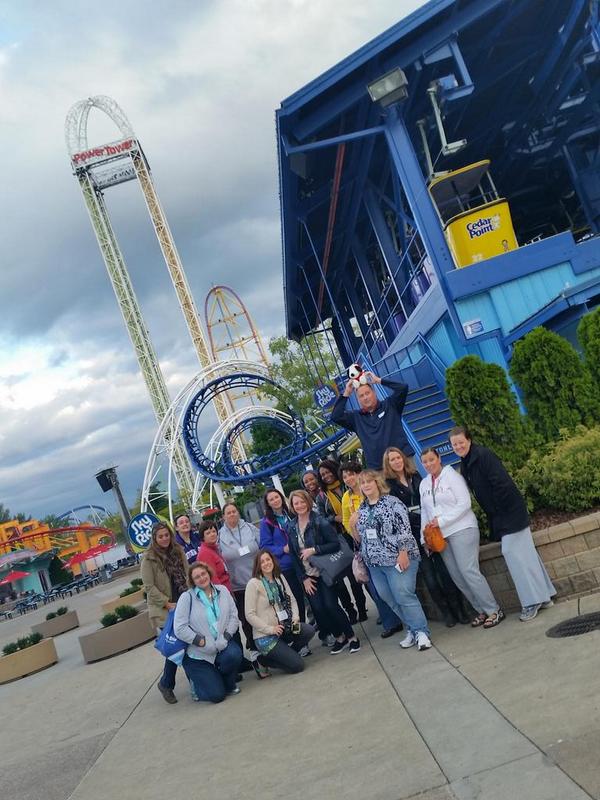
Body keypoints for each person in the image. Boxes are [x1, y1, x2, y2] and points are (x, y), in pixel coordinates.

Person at [449, 426, 556, 621]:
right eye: (454, 444)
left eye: (461, 442)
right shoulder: (466, 461)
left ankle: (532, 602)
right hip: (502, 515)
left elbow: (502, 484)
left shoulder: (482, 455)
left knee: (512, 553)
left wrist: (498, 513)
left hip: (509, 512)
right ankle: (545, 596)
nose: (458, 446)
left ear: (469, 440)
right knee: (526, 554)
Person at [383, 447, 470, 627]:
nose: (397, 461)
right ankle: (446, 613)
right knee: (430, 578)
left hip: (431, 530)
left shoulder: (416, 477)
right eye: (392, 459)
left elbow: (429, 502)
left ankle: (460, 610)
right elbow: (396, 514)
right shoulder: (388, 486)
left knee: (446, 573)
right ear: (388, 463)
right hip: (412, 535)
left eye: (398, 457)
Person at [419, 447, 504, 629]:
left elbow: (465, 503)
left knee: (468, 571)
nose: (428, 464)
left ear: (439, 458)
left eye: (431, 460)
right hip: (440, 536)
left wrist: (441, 521)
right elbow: (424, 512)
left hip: (462, 528)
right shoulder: (424, 484)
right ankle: (481, 609)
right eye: (425, 462)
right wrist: (424, 537)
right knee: (457, 576)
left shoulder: (452, 476)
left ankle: (494, 610)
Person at [355, 470, 432, 651]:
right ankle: (412, 629)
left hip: (397, 558)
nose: (366, 485)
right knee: (389, 598)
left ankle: (422, 632)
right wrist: (353, 525)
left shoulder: (393, 502)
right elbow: (361, 537)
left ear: (377, 482)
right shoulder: (362, 508)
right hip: (375, 563)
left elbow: (404, 528)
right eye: (362, 483)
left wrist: (403, 552)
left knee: (403, 594)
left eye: (369, 481)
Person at [287, 489, 361, 654]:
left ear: (307, 501)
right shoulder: (290, 526)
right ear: (292, 506)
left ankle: (351, 637)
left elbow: (335, 544)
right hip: (308, 575)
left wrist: (314, 549)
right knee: (319, 610)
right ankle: (339, 637)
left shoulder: (319, 521)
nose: (299, 505)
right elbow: (293, 555)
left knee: (331, 605)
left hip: (324, 571)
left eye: (301, 501)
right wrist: (303, 578)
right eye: (295, 503)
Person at [341, 461, 403, 638]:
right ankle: (390, 622)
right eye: (345, 477)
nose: (348, 479)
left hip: (387, 545)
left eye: (351, 474)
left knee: (397, 587)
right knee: (376, 588)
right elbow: (347, 521)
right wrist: (355, 531)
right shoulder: (346, 497)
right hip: (364, 545)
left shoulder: (371, 492)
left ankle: (408, 619)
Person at [174, 561, 243, 703]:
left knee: (234, 654)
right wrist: (202, 642)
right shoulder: (187, 598)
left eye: (203, 574)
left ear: (208, 573)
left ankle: (227, 684)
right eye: (197, 577)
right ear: (192, 581)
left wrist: (226, 637)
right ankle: (197, 682)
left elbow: (233, 617)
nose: (202, 578)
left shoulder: (222, 590)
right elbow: (180, 628)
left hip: (220, 644)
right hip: (199, 654)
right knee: (217, 696)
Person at [141, 522, 189, 704]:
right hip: (164, 609)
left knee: (186, 644)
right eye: (160, 536)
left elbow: (187, 573)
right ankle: (166, 684)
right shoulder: (149, 559)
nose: (164, 539)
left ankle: (176, 682)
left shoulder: (178, 551)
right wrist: (166, 603)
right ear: (154, 538)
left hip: (183, 602)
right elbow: (149, 587)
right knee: (174, 646)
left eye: (166, 535)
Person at [245, 549, 315, 675]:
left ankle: (287, 654)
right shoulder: (253, 584)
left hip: (285, 628)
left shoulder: (279, 577)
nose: (266, 563)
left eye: (268, 559)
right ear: (258, 566)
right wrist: (269, 629)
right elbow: (249, 615)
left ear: (272, 560)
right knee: (298, 666)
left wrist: (295, 618)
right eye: (262, 562)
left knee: (308, 631)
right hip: (266, 636)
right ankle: (263, 660)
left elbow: (292, 600)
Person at [318, 459, 368, 624]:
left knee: (356, 575)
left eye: (327, 472)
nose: (326, 476)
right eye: (322, 474)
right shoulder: (322, 496)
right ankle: (350, 611)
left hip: (351, 536)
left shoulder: (348, 487)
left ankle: (362, 608)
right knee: (339, 578)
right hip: (336, 539)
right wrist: (335, 518)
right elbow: (321, 518)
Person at [330, 369, 412, 468]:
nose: (365, 397)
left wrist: (378, 380)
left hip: (403, 459)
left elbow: (403, 388)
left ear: (374, 393)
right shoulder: (356, 418)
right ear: (358, 400)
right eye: (361, 396)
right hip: (379, 469)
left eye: (367, 393)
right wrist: (347, 392)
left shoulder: (390, 405)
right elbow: (335, 416)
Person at [259, 489, 306, 624]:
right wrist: (282, 549)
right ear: (268, 504)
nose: (275, 500)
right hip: (286, 566)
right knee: (296, 599)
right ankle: (301, 631)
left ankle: (323, 630)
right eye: (271, 499)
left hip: (303, 560)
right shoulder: (266, 522)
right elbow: (265, 546)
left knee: (312, 597)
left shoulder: (292, 513)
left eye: (277, 497)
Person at [218, 502, 260, 654]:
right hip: (238, 586)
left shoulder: (250, 528)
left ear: (238, 512)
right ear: (223, 517)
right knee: (246, 618)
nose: (232, 514)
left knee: (263, 612)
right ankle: (254, 648)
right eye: (228, 513)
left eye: (234, 511)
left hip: (256, 579)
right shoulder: (219, 536)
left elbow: (262, 547)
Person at [196, 520, 230, 589]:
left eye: (214, 531)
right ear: (203, 537)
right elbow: (213, 579)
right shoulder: (205, 553)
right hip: (222, 593)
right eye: (208, 533)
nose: (212, 534)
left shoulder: (214, 548)